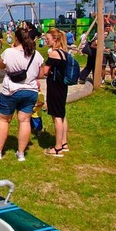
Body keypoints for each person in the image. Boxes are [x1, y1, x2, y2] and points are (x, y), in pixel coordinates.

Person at [0, 28, 44, 162]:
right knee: (24, 121)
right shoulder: (36, 54)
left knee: (4, 120)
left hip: (11, 90)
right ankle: (21, 153)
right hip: (30, 90)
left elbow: (0, 66)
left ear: (16, 38)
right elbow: (41, 74)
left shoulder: (9, 52)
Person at [43, 28, 70, 157]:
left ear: (55, 39)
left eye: (47, 39)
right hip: (62, 86)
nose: (46, 41)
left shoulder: (54, 54)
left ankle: (57, 148)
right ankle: (64, 143)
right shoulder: (64, 52)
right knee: (62, 114)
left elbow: (45, 71)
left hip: (54, 87)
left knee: (56, 117)